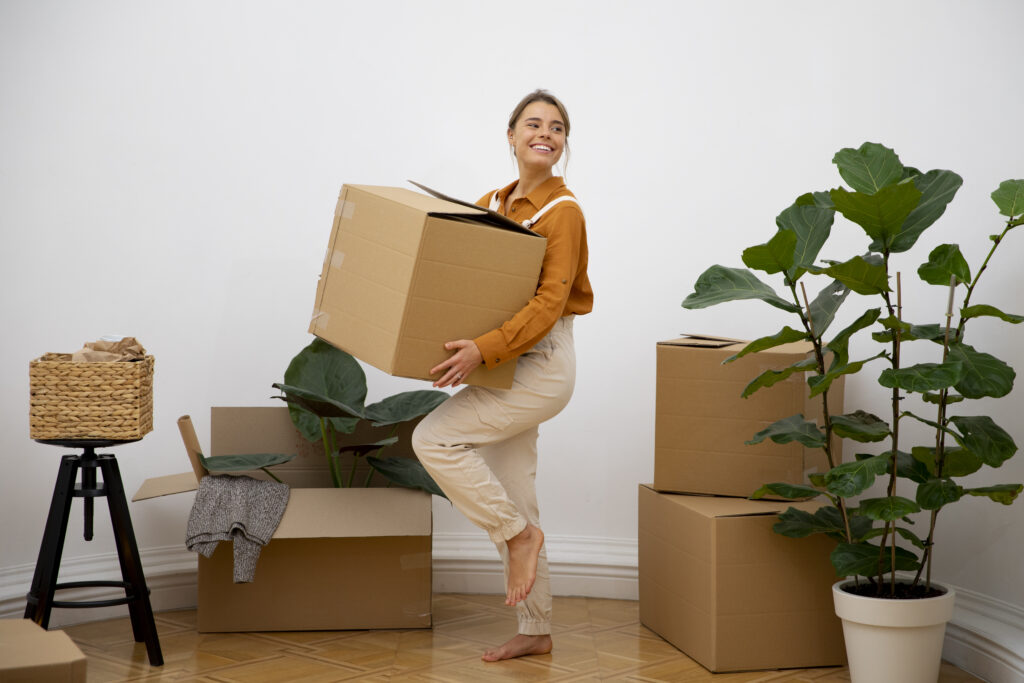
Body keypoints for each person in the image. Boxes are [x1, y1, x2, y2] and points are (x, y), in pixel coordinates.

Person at [412, 89, 593, 662]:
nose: (546, 134)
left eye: (557, 127)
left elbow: (548, 303)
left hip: (540, 363)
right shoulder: (491, 203)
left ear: (564, 143)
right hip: (503, 360)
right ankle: (536, 628)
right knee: (515, 492)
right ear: (511, 136)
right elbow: (462, 275)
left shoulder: (564, 213)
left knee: (433, 439)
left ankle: (516, 537)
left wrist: (481, 351)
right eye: (533, 124)